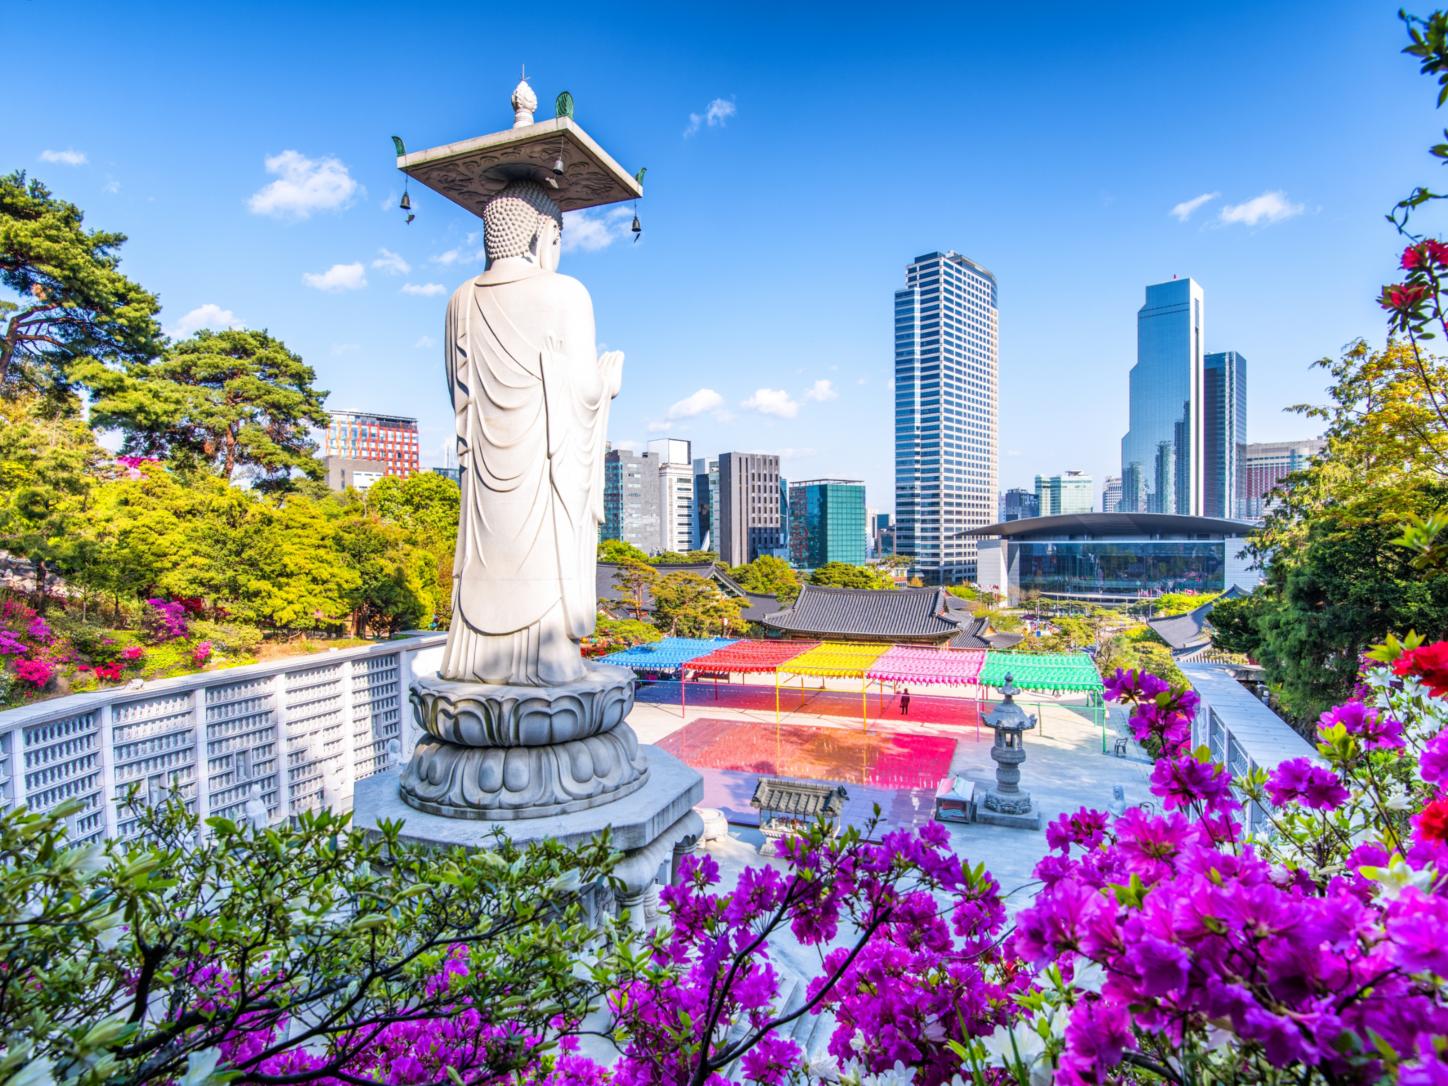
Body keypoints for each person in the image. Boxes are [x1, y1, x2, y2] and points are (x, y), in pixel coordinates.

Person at [440, 179, 623, 686]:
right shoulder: (566, 293)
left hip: (484, 486)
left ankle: (472, 658)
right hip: (544, 478)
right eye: (558, 241)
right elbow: (583, 389)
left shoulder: (460, 301)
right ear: (543, 235)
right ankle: (547, 660)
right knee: (547, 564)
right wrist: (605, 387)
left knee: (484, 564)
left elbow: (460, 398)